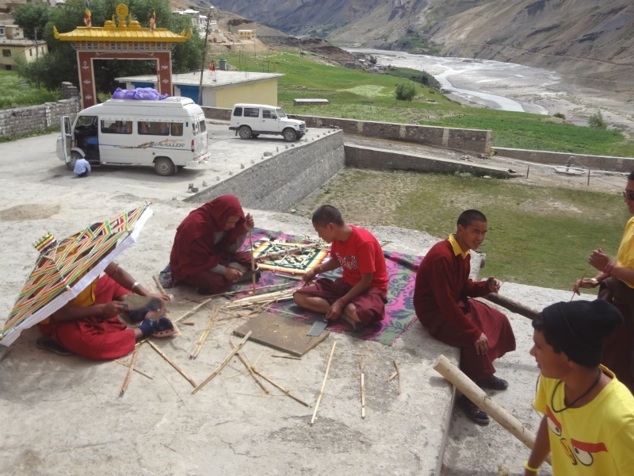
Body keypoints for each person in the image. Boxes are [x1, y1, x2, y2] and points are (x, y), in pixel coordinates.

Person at [413, 209, 516, 425]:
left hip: (452, 304)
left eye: (484, 232)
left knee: (498, 319)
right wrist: (473, 332)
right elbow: (445, 302)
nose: (480, 237)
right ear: (460, 229)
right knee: (475, 341)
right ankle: (468, 397)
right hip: (435, 313)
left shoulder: (463, 251)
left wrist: (484, 287)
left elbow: (463, 286)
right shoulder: (443, 256)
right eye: (475, 231)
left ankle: (484, 374)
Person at [524, 299, 634, 475]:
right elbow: (551, 420)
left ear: (569, 358)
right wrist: (531, 467)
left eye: (539, 347)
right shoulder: (554, 379)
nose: (531, 352)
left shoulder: (621, 421)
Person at [37, 261, 174, 360]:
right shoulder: (56, 275)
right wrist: (102, 309)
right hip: (62, 318)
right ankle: (146, 327)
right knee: (91, 344)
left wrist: (146, 294)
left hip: (86, 299)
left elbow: (116, 272)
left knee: (108, 282)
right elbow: (61, 314)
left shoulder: (89, 252)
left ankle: (132, 306)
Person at [573, 171, 634, 393]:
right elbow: (624, 262)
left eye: (633, 196)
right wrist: (597, 278)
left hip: (629, 309)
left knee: (622, 367)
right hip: (617, 300)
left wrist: (608, 267)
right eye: (626, 193)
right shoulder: (632, 222)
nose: (627, 200)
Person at [293, 204, 388, 327]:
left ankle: (341, 309)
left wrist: (341, 302)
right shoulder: (337, 238)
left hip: (369, 289)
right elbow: (337, 260)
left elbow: (366, 282)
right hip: (347, 284)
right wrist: (316, 270)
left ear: (331, 226)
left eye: (320, 232)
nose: (319, 236)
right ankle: (342, 311)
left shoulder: (364, 242)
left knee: (360, 314)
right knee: (299, 296)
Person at [169, 195, 257, 295]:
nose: (232, 226)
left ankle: (233, 276)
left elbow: (230, 249)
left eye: (234, 223)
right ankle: (230, 277)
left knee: (248, 258)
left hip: (213, 257)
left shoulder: (221, 221)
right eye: (229, 222)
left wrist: (244, 230)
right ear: (221, 216)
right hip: (190, 265)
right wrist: (225, 271)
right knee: (216, 282)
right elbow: (196, 261)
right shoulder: (194, 227)